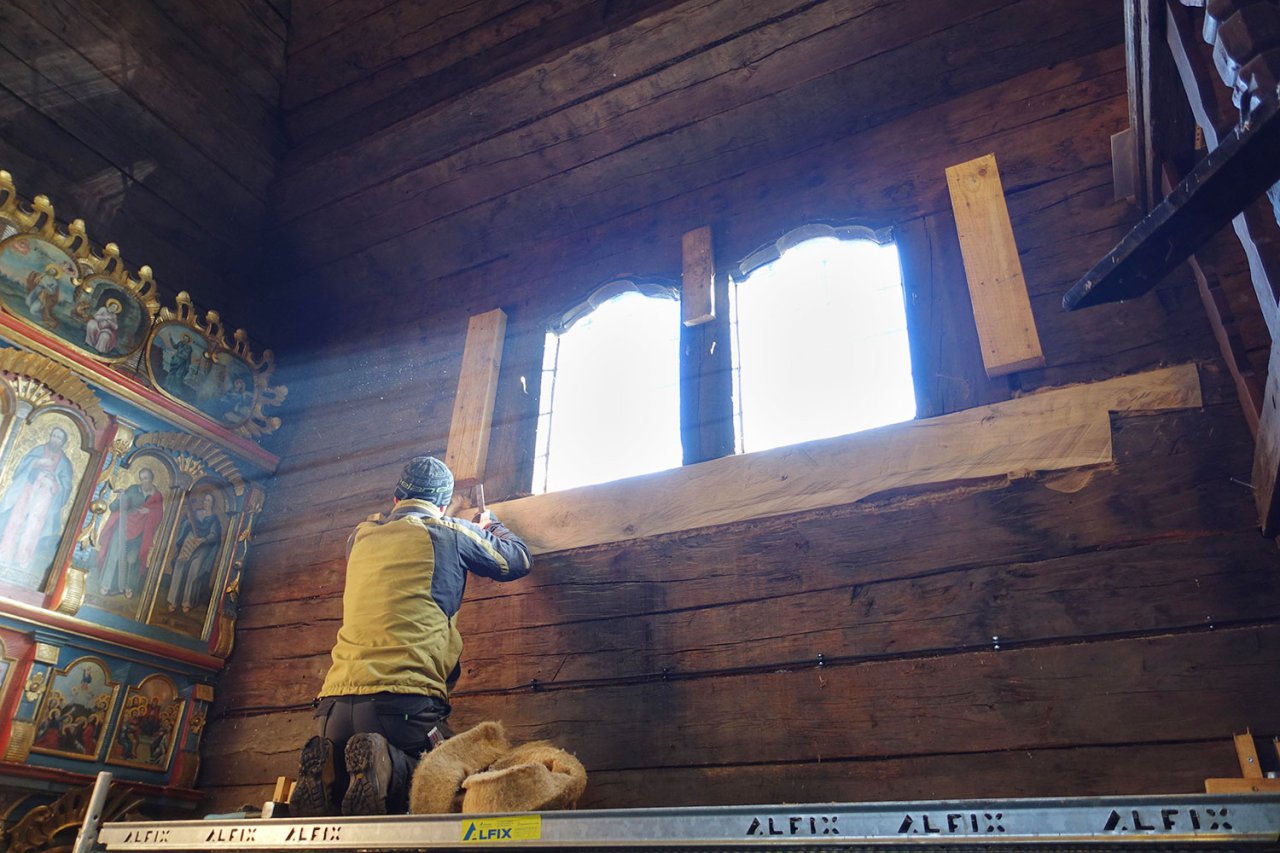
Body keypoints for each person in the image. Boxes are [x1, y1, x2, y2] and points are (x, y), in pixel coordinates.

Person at [289, 456, 531, 817]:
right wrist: (490, 525)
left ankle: (331, 774)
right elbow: (518, 559)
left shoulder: (359, 537)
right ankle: (389, 764)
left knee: (348, 795)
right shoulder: (450, 531)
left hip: (333, 709)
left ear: (395, 499)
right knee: (445, 776)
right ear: (443, 505)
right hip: (403, 707)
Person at [0, 426, 76, 588]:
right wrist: (36, 463)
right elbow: (21, 467)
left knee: (33, 526)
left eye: (58, 438)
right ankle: (4, 554)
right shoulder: (38, 450)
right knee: (16, 519)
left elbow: (66, 486)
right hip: (28, 489)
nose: (55, 439)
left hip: (45, 496)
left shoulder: (64, 463)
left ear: (63, 442)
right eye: (53, 435)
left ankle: (23, 559)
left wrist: (53, 482)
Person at [96, 467, 164, 599]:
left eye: (146, 478)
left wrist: (149, 512)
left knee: (132, 559)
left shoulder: (157, 496)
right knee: (114, 554)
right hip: (124, 526)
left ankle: (129, 586)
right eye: (141, 479)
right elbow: (114, 507)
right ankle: (106, 584)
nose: (143, 482)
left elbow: (159, 514)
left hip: (140, 532)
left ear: (152, 479)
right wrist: (120, 498)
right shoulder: (133, 489)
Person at [166, 491, 222, 613]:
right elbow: (186, 525)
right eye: (205, 500)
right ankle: (173, 600)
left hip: (203, 545)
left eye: (209, 501)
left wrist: (204, 539)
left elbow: (214, 535)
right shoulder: (196, 513)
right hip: (190, 540)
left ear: (212, 504)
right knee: (180, 564)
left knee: (194, 569)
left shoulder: (214, 519)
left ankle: (187, 602)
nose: (206, 503)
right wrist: (187, 520)